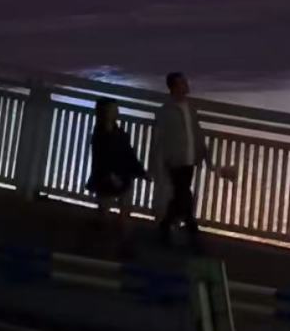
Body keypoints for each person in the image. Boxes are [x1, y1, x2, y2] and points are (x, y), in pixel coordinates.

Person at [152, 71, 208, 251]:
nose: (186, 85)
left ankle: (165, 227)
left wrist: (205, 155)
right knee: (184, 194)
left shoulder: (190, 108)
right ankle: (193, 231)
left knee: (180, 196)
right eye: (182, 83)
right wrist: (157, 164)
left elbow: (197, 133)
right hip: (175, 161)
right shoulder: (165, 111)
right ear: (174, 87)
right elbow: (160, 139)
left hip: (190, 159)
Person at [85, 99, 145, 247]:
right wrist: (111, 175)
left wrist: (141, 171)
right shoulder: (101, 135)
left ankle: (123, 244)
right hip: (106, 178)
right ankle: (104, 242)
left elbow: (129, 154)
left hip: (122, 176)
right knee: (105, 212)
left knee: (123, 213)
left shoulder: (118, 133)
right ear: (105, 112)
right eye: (114, 109)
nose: (117, 112)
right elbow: (101, 159)